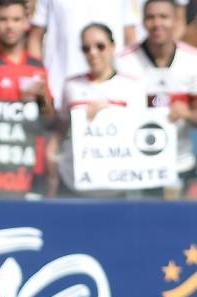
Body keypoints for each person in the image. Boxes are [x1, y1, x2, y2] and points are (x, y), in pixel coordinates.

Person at [119, 0, 197, 197]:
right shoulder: (123, 61)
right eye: (151, 17)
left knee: (186, 226)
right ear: (142, 22)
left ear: (176, 21)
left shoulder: (194, 59)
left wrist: (187, 113)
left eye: (164, 17)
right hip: (137, 167)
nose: (157, 23)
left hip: (181, 162)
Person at [48, 22, 148, 196]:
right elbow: (62, 127)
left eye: (100, 46)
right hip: (74, 182)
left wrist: (108, 112)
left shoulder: (133, 86)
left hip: (117, 186)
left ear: (113, 46)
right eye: (86, 48)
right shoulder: (71, 85)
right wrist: (51, 152)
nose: (93, 53)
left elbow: (140, 131)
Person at [28, 0, 138, 105]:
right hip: (61, 93)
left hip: (115, 93)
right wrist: (40, 81)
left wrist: (127, 81)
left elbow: (131, 39)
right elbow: (35, 38)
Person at [0, 0, 52, 119]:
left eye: (16, 19)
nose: (10, 26)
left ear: (26, 23)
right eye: (3, 19)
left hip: (33, 136)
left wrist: (44, 100)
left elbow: (51, 120)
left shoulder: (37, 66)